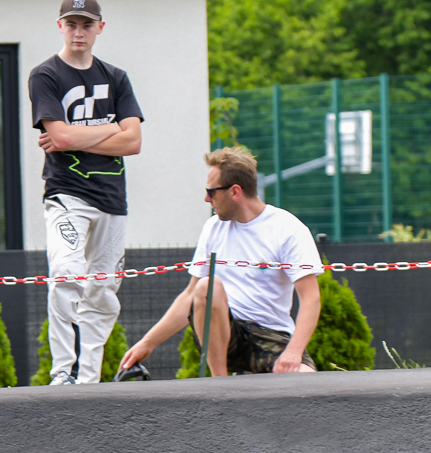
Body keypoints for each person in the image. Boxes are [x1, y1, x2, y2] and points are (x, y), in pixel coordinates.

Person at [120, 148, 320, 376]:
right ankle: (221, 383)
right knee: (207, 286)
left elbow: (311, 298)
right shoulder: (213, 227)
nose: (206, 199)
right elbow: (190, 296)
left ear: (235, 191)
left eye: (211, 192)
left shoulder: (287, 228)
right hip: (226, 334)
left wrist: (293, 352)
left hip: (271, 335)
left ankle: (244, 379)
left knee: (306, 379)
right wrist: (147, 344)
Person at [30, 0, 143, 385]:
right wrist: (112, 127)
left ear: (100, 28)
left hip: (112, 199)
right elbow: (59, 138)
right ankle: (63, 372)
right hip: (67, 194)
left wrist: (77, 135)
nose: (79, 32)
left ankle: (89, 377)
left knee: (103, 289)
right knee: (66, 273)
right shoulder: (45, 75)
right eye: (72, 24)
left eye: (87, 24)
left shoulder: (117, 78)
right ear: (60, 26)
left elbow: (133, 141)